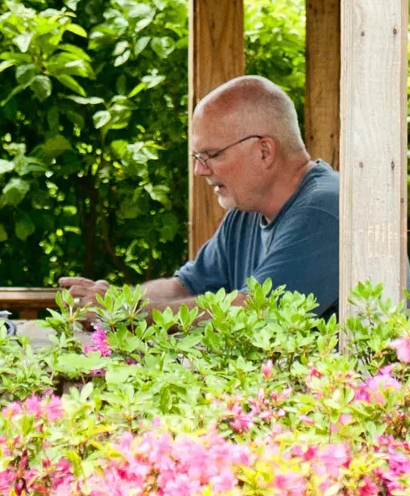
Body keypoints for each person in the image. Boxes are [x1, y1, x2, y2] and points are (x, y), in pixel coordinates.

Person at [62, 75, 340, 316]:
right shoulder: (244, 213)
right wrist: (117, 300)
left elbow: (251, 312)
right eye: (197, 156)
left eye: (212, 155)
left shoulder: (324, 210)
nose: (198, 170)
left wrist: (127, 312)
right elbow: (183, 286)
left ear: (265, 151)